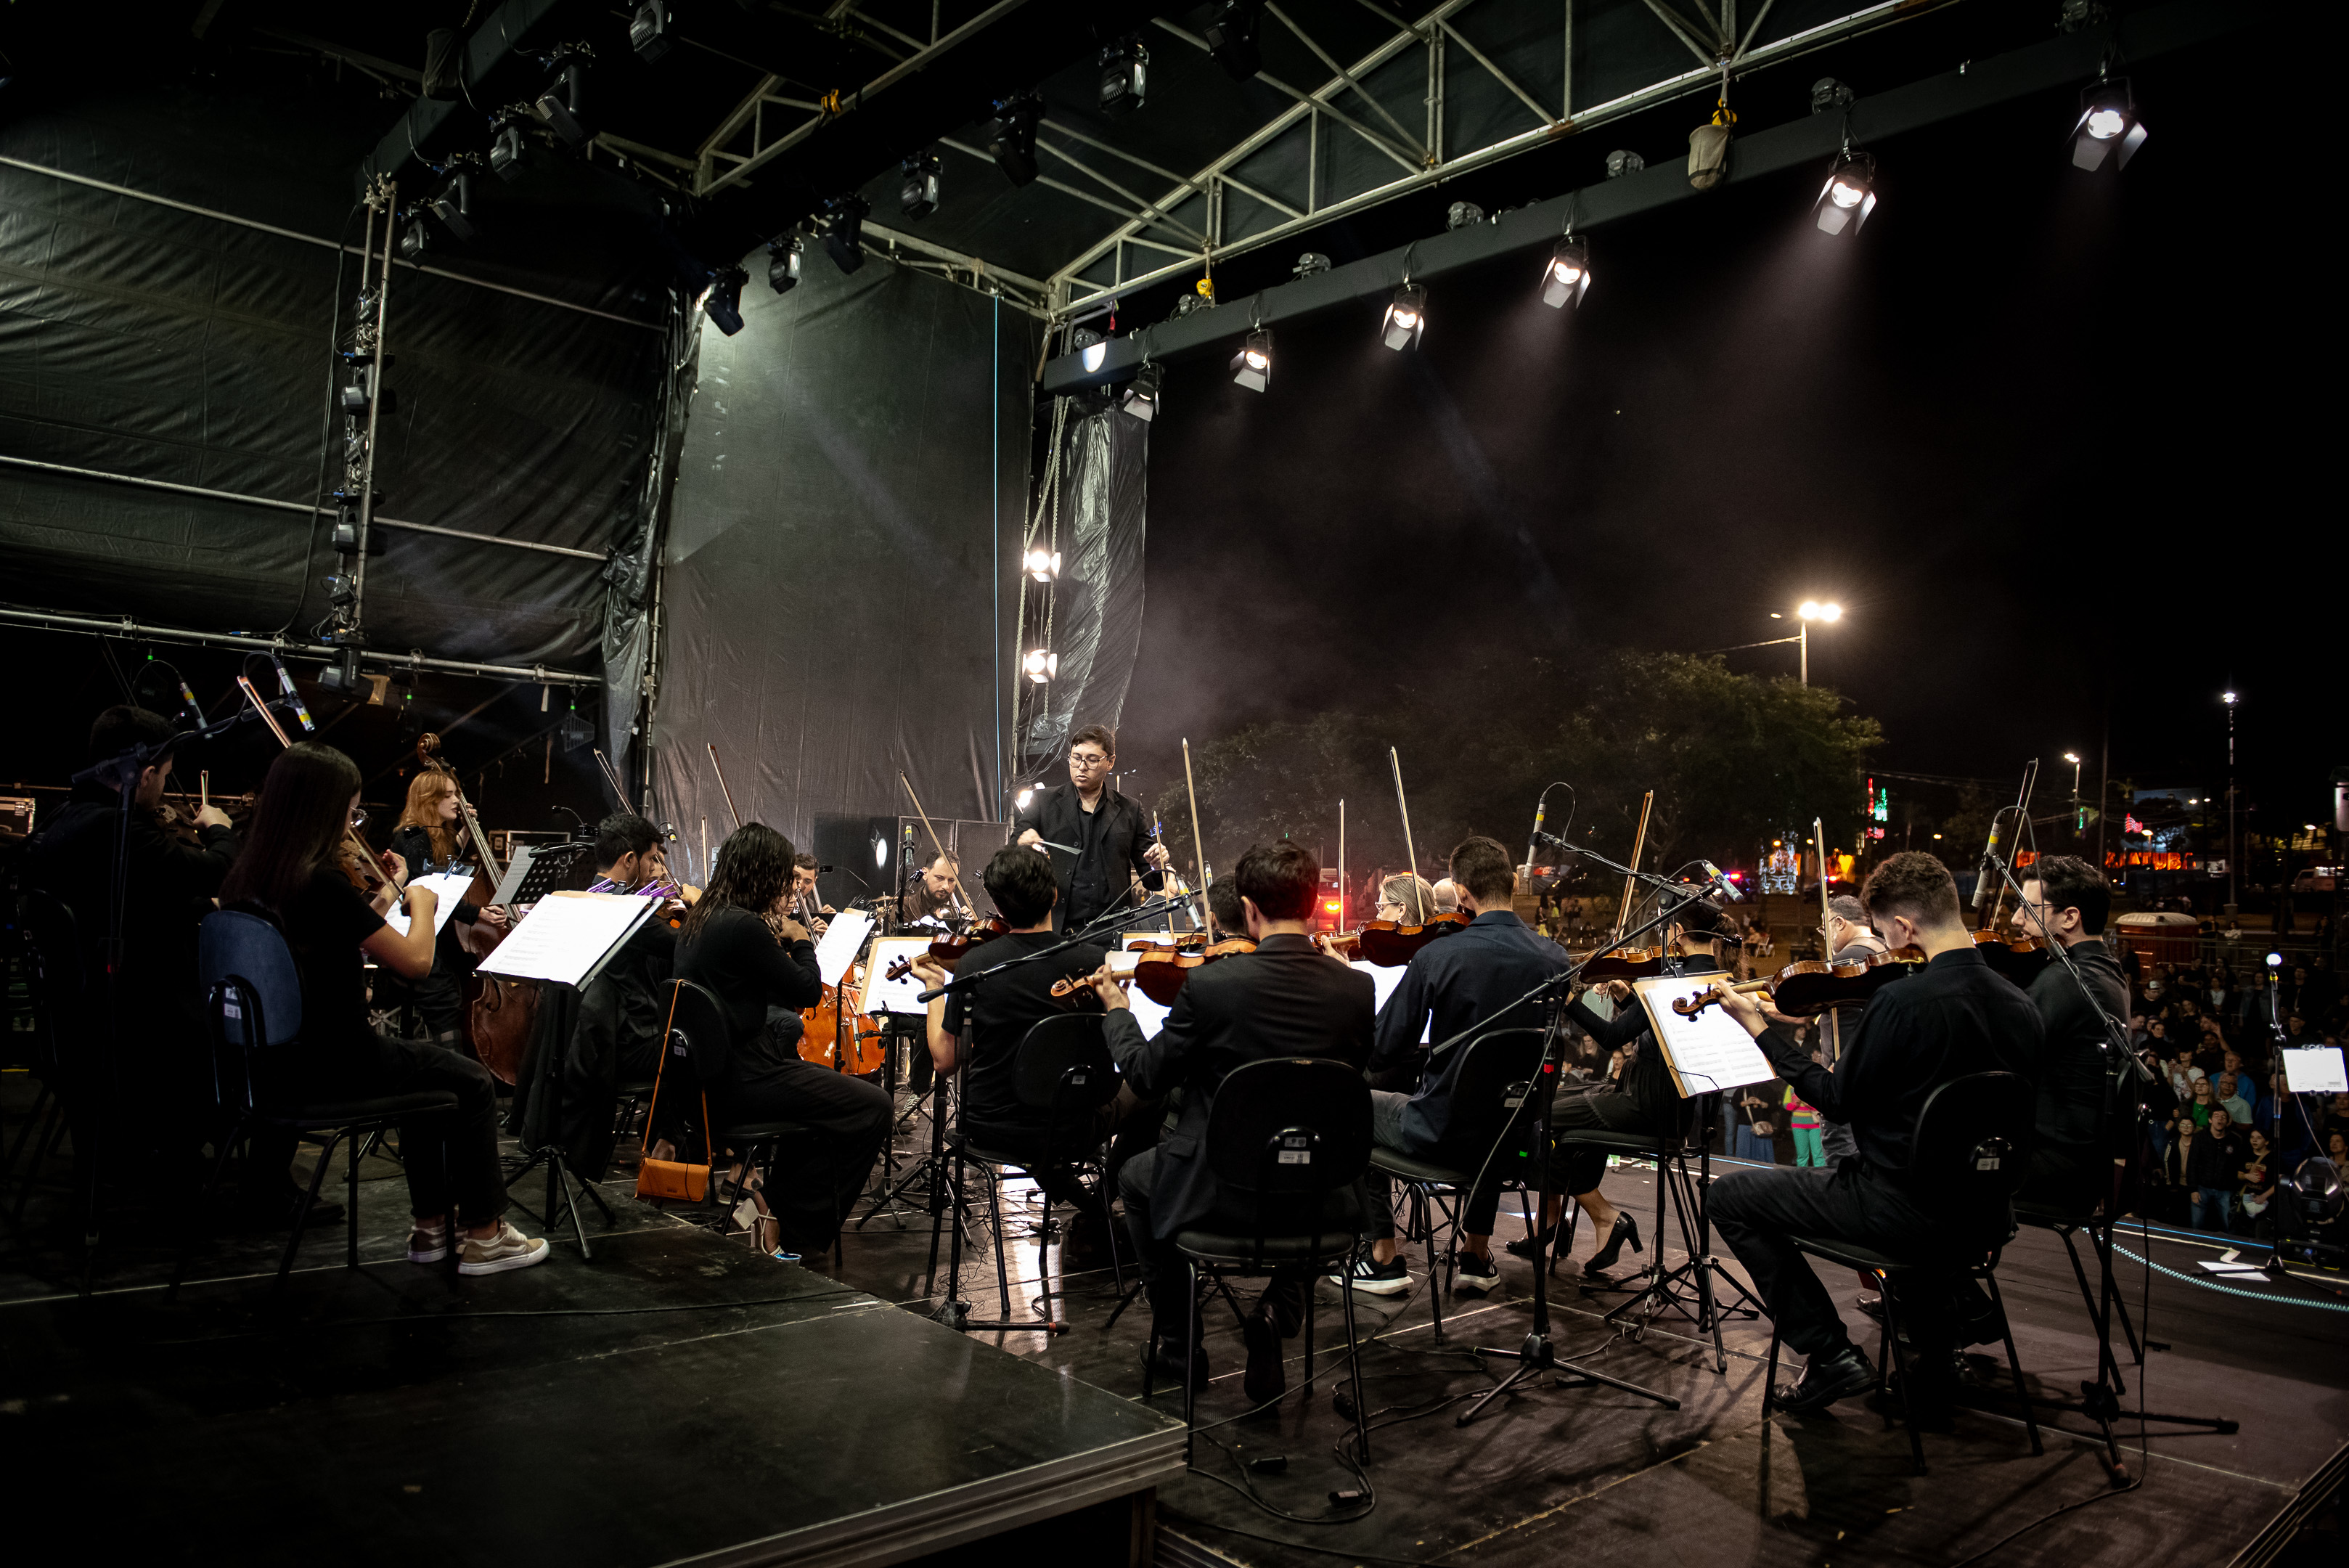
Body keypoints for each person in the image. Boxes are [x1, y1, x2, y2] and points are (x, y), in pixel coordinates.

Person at [1705, 852, 2043, 1418]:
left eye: (1889, 934)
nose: (1890, 948)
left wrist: (1758, 1027)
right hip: (1986, 1214)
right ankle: (1937, 1355)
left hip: (1905, 1214)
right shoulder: (2023, 1005)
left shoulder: (1902, 1001)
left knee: (1728, 1197)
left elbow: (1836, 1100)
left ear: (1906, 927)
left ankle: (1828, 1351)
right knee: (1915, 1176)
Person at [216, 741, 547, 1274]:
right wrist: (420, 900)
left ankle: (431, 1228)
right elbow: (414, 961)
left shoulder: (251, 878)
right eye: (351, 813)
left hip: (271, 1066)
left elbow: (353, 935)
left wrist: (389, 892)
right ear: (324, 812)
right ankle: (485, 1233)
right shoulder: (320, 880)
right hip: (337, 1062)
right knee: (470, 1082)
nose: (354, 825)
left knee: (423, 1086)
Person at [1084, 841, 1373, 1405]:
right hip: (1322, 1195)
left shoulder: (1213, 988)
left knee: (1135, 1180)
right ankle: (1279, 1307)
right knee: (1307, 1188)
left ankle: (1179, 1341)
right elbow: (1351, 1080)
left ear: (1248, 909)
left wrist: (1118, 1012)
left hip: (1220, 1190)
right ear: (1313, 905)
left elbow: (1144, 1077)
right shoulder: (1355, 989)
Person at [24, 706, 241, 1163]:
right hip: (129, 1024)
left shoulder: (65, 817)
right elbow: (214, 871)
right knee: (247, 1038)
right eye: (163, 775)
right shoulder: (116, 827)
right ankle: (208, 1164)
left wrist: (200, 909)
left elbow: (128, 905)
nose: (164, 786)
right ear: (142, 776)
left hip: (75, 1018)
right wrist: (221, 830)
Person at [1347, 837, 1562, 1298]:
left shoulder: (1439, 956)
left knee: (1351, 1104)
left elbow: (1384, 1050)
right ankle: (1476, 1256)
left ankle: (1382, 1256)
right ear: (1514, 882)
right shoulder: (1554, 959)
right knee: (1492, 1106)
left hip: (1442, 1136)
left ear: (1462, 894)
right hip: (1513, 1140)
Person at [674, 823, 891, 1261]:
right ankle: (792, 1228)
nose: (790, 887)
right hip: (745, 1078)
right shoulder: (744, 926)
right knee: (874, 1107)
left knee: (825, 1107)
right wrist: (802, 940)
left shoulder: (702, 918)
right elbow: (808, 990)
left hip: (705, 1079)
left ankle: (771, 1204)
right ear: (762, 874)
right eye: (783, 877)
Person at [910, 846, 1132, 1259]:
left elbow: (944, 1061)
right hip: (1072, 1124)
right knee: (1152, 1093)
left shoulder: (979, 964)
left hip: (992, 1125)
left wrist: (932, 986)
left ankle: (1088, 1207)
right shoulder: (1092, 961)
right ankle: (1098, 1209)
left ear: (996, 905)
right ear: (1053, 895)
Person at [1526, 899, 1743, 1275]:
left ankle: (1604, 1217)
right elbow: (1662, 1037)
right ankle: (1555, 1224)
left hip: (1644, 1104)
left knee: (1540, 1115)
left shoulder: (1674, 983)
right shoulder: (1719, 979)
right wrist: (1630, 999)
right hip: (1673, 1107)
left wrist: (1569, 1000)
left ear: (1676, 933)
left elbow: (1611, 1037)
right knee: (1562, 1110)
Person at [552, 814, 682, 1179]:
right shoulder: (623, 910)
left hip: (591, 1042)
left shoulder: (587, 899)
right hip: (623, 1043)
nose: (658, 869)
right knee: (701, 1048)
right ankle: (667, 1143)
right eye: (653, 858)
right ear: (628, 860)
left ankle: (662, 1138)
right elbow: (682, 949)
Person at [2007, 856, 2129, 1214]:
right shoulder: (2106, 970)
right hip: (2087, 1163)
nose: (2016, 919)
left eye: (2028, 908)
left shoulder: (2066, 980)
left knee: (1922, 1162)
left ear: (2070, 917)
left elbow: (2003, 1056)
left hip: (2055, 1166)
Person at [383, 770, 509, 1052]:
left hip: (429, 932)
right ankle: (450, 1075)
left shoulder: (432, 835)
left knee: (449, 1000)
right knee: (445, 1004)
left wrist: (467, 829)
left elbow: (446, 860)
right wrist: (477, 913)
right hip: (411, 937)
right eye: (448, 795)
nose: (457, 800)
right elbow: (429, 891)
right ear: (429, 800)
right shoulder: (412, 835)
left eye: (456, 793)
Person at [1013, 725, 1170, 932]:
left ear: (1110, 761)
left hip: (1113, 930)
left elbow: (1154, 881)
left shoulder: (1130, 808)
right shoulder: (1043, 801)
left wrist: (1157, 865)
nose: (1081, 767)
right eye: (1076, 758)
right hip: (1056, 928)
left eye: (1092, 760)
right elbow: (1010, 853)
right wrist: (1023, 845)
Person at [2187, 1107, 2247, 1230]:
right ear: (2210, 1120)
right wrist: (2193, 1189)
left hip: (2225, 1190)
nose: (2220, 1119)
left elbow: (2239, 1165)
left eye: (2224, 1117)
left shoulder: (2235, 1140)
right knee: (2197, 1225)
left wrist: (2235, 1188)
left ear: (2228, 1122)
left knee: (2230, 1226)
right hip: (2202, 1187)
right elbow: (2192, 1163)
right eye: (2217, 1116)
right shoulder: (2200, 1137)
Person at [898, 851, 964, 928]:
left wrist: (969, 928)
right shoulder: (905, 907)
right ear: (925, 874)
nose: (946, 886)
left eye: (952, 880)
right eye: (940, 878)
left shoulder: (957, 910)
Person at [789, 852, 835, 937]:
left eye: (807, 881)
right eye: (796, 878)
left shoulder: (815, 909)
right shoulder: (779, 906)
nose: (800, 885)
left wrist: (831, 924)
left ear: (815, 881)